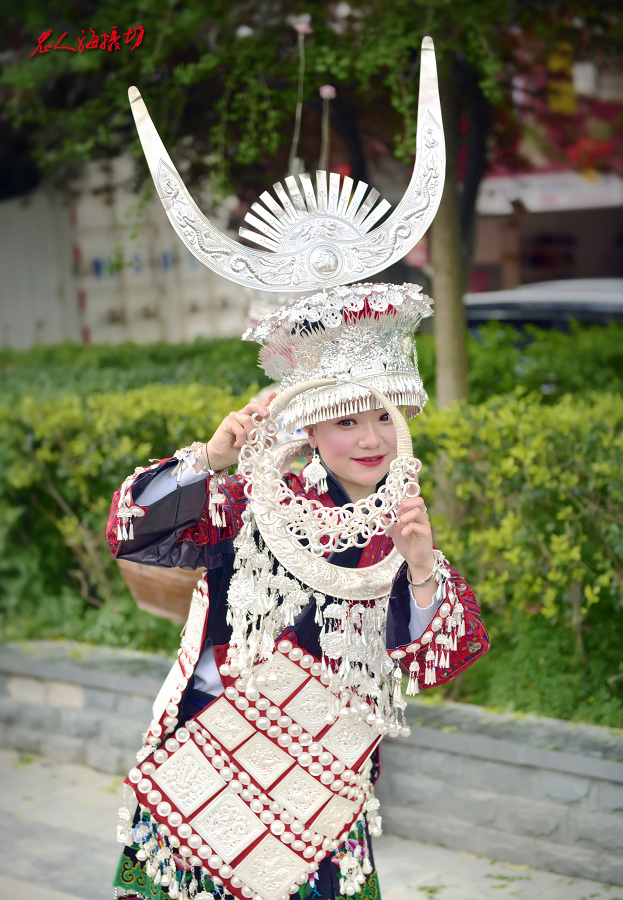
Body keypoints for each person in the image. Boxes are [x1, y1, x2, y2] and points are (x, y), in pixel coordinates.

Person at [107, 286, 489, 900]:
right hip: (211, 764)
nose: (372, 439)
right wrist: (211, 457)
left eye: (384, 416)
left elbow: (436, 660)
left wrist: (421, 569)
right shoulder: (251, 505)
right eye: (347, 421)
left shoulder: (402, 536)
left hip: (323, 791)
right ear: (309, 428)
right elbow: (132, 529)